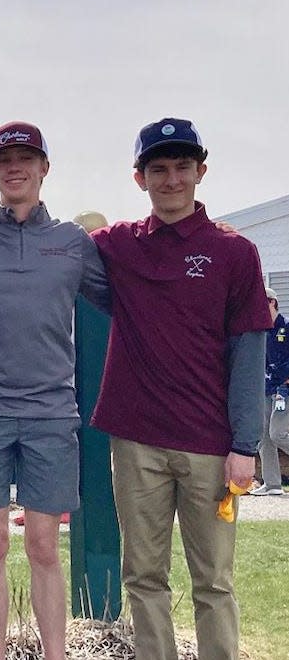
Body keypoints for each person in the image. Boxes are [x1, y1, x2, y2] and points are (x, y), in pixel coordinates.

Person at [90, 118, 270, 660]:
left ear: (201, 172)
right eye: (158, 169)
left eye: (182, 168)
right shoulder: (119, 244)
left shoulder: (235, 253)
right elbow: (59, 246)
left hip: (209, 445)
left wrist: (245, 446)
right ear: (139, 177)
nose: (171, 180)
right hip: (136, 440)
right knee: (143, 577)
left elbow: (249, 355)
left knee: (213, 582)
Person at [0, 122, 108, 660]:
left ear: (43, 168)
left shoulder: (71, 243)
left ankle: (54, 654)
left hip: (52, 412)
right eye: (4, 160)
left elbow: (126, 299)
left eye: (26, 158)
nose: (15, 168)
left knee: (43, 546)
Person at [251, 286, 289, 495]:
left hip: (285, 389)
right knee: (263, 436)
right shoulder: (262, 332)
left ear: (271, 302)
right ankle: (272, 484)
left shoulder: (287, 327)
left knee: (278, 433)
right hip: (266, 388)